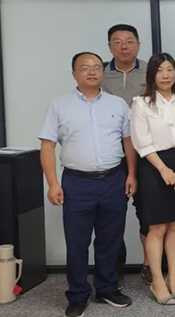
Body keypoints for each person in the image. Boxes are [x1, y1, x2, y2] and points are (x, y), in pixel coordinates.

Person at [39, 52, 136, 317]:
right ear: (74, 74)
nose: (91, 72)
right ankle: (78, 295)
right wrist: (52, 183)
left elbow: (128, 142)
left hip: (114, 179)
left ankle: (107, 289)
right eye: (84, 68)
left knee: (110, 239)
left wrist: (132, 175)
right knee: (77, 242)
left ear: (103, 73)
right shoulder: (59, 105)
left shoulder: (118, 104)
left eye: (96, 67)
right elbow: (47, 146)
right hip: (76, 183)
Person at [130, 53, 175, 305]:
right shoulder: (141, 104)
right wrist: (163, 170)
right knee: (157, 227)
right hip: (153, 167)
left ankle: (174, 278)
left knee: (174, 225)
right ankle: (157, 280)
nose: (165, 75)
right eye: (160, 70)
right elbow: (142, 143)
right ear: (152, 74)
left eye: (169, 69)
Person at [101, 24, 149, 287]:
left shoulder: (150, 72)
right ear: (110, 46)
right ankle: (114, 270)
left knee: (149, 213)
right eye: (117, 41)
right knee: (112, 216)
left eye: (129, 41)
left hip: (146, 154)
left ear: (138, 45)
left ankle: (150, 265)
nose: (124, 46)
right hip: (112, 156)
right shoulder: (100, 74)